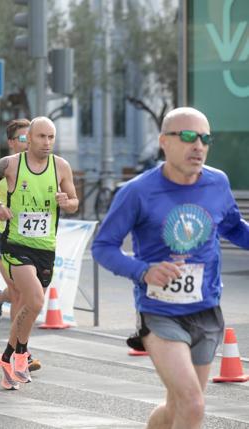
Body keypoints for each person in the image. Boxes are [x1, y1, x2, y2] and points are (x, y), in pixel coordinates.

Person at [92, 107, 249, 428]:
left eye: (205, 138)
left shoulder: (217, 182)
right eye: (189, 137)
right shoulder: (137, 191)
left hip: (206, 312)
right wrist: (143, 270)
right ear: (164, 141)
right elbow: (103, 246)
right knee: (192, 404)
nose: (199, 146)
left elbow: (234, 227)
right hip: (160, 312)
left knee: (178, 405)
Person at [0, 116, 78, 389]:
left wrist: (67, 201)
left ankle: (7, 358)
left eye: (51, 137)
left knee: (29, 303)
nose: (47, 142)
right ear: (29, 139)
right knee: (35, 299)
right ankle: (20, 355)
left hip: (45, 249)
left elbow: (74, 202)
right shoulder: (10, 165)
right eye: (41, 137)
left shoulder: (61, 166)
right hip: (15, 245)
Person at [0, 119, 30, 326]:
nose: (29, 142)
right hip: (4, 233)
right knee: (18, 291)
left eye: (32, 137)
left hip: (33, 239)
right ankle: (17, 350)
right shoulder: (6, 165)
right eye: (23, 138)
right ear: (11, 142)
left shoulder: (46, 166)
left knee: (25, 291)